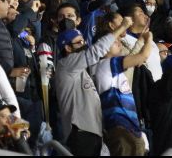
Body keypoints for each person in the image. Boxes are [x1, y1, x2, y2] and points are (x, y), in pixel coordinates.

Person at [55, 16, 133, 156]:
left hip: (94, 131)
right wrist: (122, 27)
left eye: (84, 41)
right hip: (80, 131)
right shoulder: (66, 64)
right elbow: (96, 51)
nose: (84, 44)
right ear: (67, 48)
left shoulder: (82, 69)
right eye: (79, 42)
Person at [91, 23, 153, 156]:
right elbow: (142, 56)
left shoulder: (107, 67)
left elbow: (137, 60)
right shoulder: (108, 63)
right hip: (121, 128)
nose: (119, 43)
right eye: (114, 41)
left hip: (127, 128)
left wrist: (141, 40)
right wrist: (149, 39)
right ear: (102, 48)